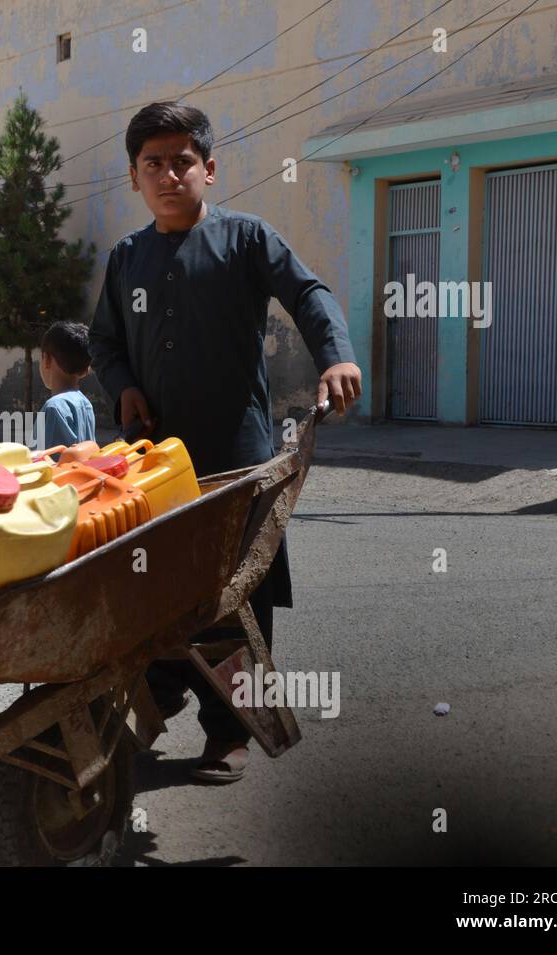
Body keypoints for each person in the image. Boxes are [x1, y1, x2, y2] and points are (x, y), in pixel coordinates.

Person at [88, 101, 362, 784]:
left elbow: (309, 292)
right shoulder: (127, 257)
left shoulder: (247, 240)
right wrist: (120, 382)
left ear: (208, 169)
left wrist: (335, 355)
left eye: (182, 160)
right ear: (134, 178)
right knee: (152, 586)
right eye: (153, 163)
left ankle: (231, 731)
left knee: (240, 596)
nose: (168, 173)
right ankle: (163, 691)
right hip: (153, 465)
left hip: (237, 457)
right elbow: (103, 340)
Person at [39, 321, 97, 451]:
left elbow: (46, 462)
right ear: (86, 369)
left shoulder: (54, 407)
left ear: (47, 359)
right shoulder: (85, 404)